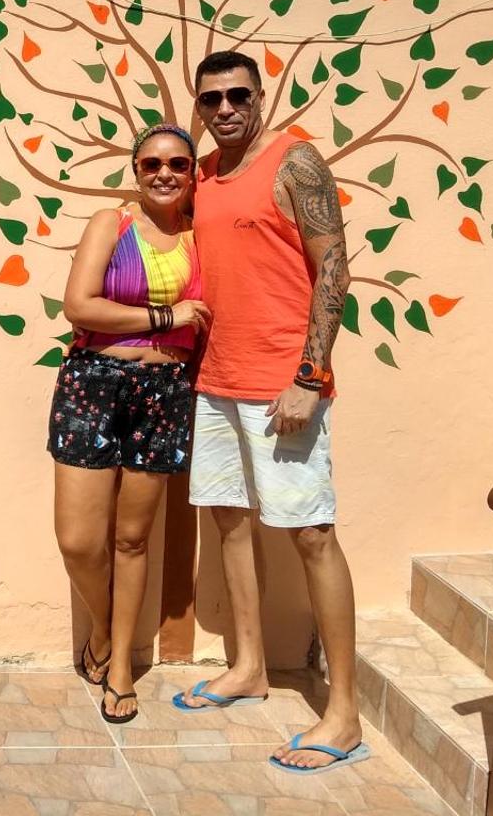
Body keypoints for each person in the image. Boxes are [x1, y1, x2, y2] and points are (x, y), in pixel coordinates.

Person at [173, 50, 369, 776]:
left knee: (311, 534)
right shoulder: (203, 175)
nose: (224, 109)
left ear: (260, 96)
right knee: (228, 519)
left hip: (283, 383)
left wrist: (310, 377)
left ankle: (343, 713)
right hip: (216, 380)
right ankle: (249, 666)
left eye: (238, 95)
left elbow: (334, 269)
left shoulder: (297, 163)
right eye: (211, 99)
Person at [52, 123, 209, 724]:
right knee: (79, 539)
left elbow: (214, 312)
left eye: (177, 164)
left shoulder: (201, 237)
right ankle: (101, 625)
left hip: (163, 391)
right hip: (93, 382)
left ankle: (120, 666)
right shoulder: (110, 224)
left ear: (191, 173)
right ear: (136, 171)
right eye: (152, 164)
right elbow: (80, 305)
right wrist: (169, 316)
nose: (164, 173)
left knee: (132, 539)